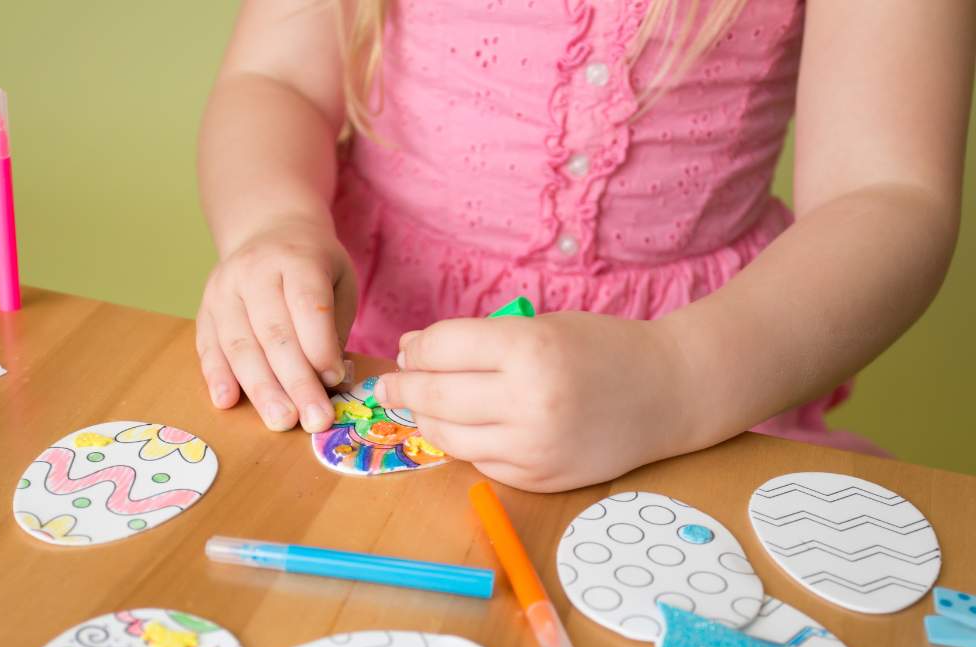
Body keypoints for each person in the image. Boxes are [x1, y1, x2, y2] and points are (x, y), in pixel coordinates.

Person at [195, 0, 974, 491]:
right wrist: (272, 224)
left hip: (705, 398)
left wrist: (677, 378)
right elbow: (277, 81)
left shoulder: (685, 385)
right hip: (377, 366)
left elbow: (888, 196)